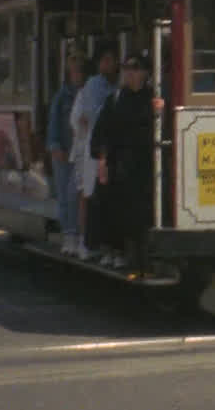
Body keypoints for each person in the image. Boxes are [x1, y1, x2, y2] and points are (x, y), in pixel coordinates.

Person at [90, 54, 165, 273]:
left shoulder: (152, 98)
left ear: (145, 73)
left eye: (135, 68)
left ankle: (141, 257)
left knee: (141, 212)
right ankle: (116, 251)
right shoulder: (116, 99)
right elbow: (101, 131)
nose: (130, 73)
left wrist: (160, 112)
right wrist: (102, 159)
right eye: (126, 68)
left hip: (144, 164)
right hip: (119, 163)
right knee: (115, 209)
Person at [68, 45, 119, 260]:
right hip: (93, 150)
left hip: (102, 148)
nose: (110, 64)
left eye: (113, 59)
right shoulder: (94, 86)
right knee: (89, 196)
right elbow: (88, 119)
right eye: (106, 60)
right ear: (98, 64)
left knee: (96, 196)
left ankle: (93, 242)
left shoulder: (114, 86)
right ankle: (85, 242)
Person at [46, 55, 86, 251]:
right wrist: (54, 145)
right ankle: (69, 235)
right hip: (64, 152)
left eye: (80, 71)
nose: (77, 75)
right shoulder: (62, 97)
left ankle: (78, 234)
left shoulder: (87, 93)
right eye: (74, 71)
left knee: (76, 195)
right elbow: (53, 123)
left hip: (80, 153)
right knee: (65, 195)